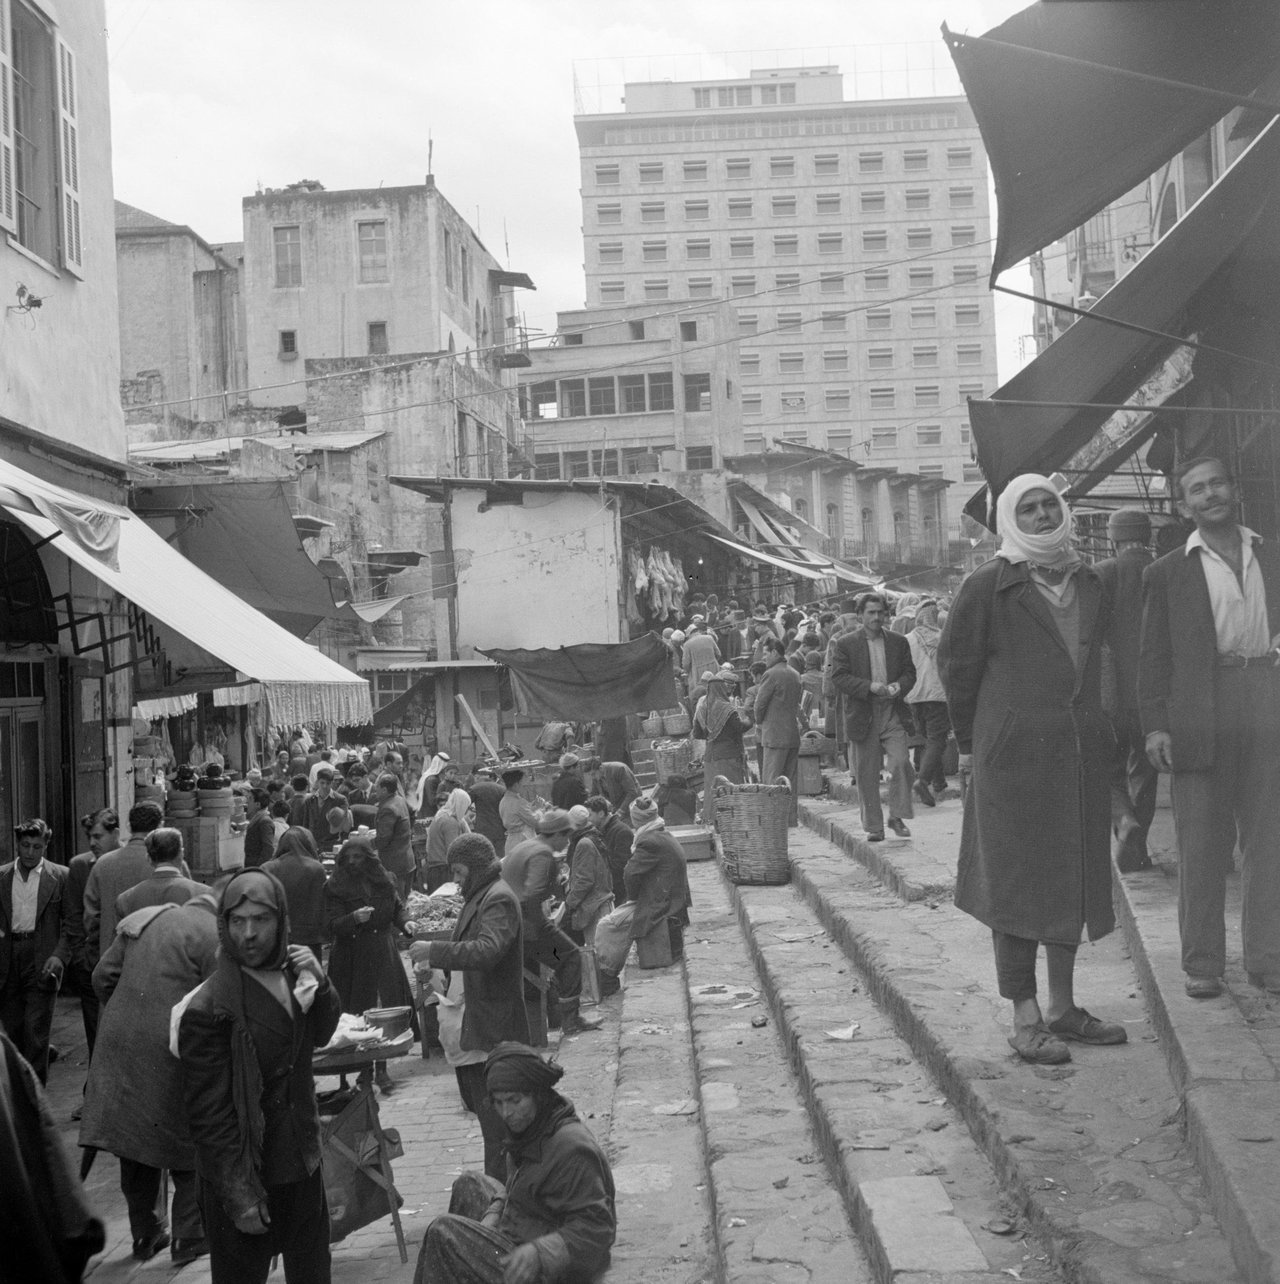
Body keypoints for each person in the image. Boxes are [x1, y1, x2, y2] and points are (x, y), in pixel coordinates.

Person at [940, 472, 1124, 1065]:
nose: (1044, 517)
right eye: (1031, 509)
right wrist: (968, 748)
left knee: (1072, 870)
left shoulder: (1091, 582)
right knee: (1016, 879)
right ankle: (1025, 1017)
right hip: (1010, 756)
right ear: (1011, 521)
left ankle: (1064, 1008)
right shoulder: (987, 586)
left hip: (1077, 753)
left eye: (1050, 505)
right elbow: (957, 671)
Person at [1139, 457, 1280, 998]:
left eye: (1217, 483)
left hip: (1266, 697)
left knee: (1270, 838)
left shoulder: (1270, 554)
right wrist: (1155, 726)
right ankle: (1203, 964)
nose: (1210, 494)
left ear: (1234, 489)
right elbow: (1151, 658)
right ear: (1184, 505)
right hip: (1200, 709)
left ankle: (1268, 958)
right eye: (1197, 489)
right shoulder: (1168, 570)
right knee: (1201, 841)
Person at [178, 869, 341, 1284]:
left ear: (282, 921)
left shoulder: (292, 973)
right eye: (237, 921)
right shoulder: (211, 1008)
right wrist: (240, 1196)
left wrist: (320, 983)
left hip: (300, 1166)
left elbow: (322, 1032)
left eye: (261, 920)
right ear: (224, 925)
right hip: (248, 1179)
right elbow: (209, 1117)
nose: (248, 934)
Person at [81, 887, 221, 1266]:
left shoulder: (148, 919)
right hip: (170, 1046)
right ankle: (189, 1238)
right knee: (188, 1137)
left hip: (119, 1042)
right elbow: (221, 1000)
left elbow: (101, 977)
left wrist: (129, 1011)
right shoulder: (213, 931)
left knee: (135, 1139)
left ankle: (146, 1233)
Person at [414, 1042, 616, 1284]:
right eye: (498, 1103)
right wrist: (494, 1216)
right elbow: (515, 1189)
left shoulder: (571, 1148)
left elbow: (598, 1229)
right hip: (522, 1232)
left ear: (538, 1095)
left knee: (443, 1231)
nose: (506, 1112)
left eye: (514, 1100)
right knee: (468, 1184)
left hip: (549, 1271)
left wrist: (539, 1253)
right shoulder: (531, 1132)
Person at [409, 834, 530, 1178]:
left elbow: (488, 950)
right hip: (477, 1024)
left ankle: (502, 1202)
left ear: (475, 868)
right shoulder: (481, 894)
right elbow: (469, 941)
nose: (457, 881)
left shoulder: (498, 899)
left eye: (460, 873)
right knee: (491, 1123)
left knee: (499, 1130)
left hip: (493, 1026)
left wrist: (435, 951)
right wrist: (433, 949)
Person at [325, 835, 417, 1094]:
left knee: (384, 1011)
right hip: (352, 956)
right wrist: (353, 918)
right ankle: (362, 1073)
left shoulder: (385, 879)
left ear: (368, 858)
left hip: (382, 951)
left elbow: (397, 906)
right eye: (349, 858)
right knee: (358, 1013)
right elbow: (330, 926)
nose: (354, 862)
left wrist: (405, 922)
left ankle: (382, 1070)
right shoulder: (335, 886)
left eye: (358, 857)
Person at [1094, 508, 1158, 872]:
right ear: (1146, 536)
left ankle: (1122, 820)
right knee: (1146, 772)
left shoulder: (1103, 573)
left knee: (1106, 767)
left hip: (1111, 696)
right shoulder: (1165, 569)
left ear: (1113, 538)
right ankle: (1139, 848)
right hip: (1152, 698)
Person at [503, 811, 602, 1037]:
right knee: (571, 957)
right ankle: (570, 1020)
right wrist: (542, 928)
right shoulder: (542, 853)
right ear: (556, 834)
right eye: (566, 835)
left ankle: (554, 1022)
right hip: (527, 925)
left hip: (515, 922)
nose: (567, 841)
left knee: (553, 966)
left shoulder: (526, 846)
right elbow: (532, 894)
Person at [831, 593, 917, 840]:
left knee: (901, 762)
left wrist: (899, 686)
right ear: (860, 615)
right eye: (871, 612)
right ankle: (874, 827)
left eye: (880, 612)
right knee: (867, 774)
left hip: (892, 713)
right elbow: (839, 677)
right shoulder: (846, 644)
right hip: (864, 714)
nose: (876, 617)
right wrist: (869, 687)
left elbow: (910, 673)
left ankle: (897, 816)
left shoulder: (898, 642)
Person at [0, 819, 70, 1084]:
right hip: (8, 958)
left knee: (36, 1033)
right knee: (13, 1032)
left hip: (43, 959)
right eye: (25, 845)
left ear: (46, 846)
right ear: (17, 843)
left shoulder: (60, 876)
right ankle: (17, 1095)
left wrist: (59, 956)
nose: (30, 852)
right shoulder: (3, 876)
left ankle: (36, 1097)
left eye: (37, 847)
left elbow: (71, 924)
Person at [64, 808, 120, 1070]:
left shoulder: (128, 863)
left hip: (123, 965)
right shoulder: (79, 866)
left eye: (98, 836)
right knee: (94, 1033)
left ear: (116, 834)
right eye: (90, 837)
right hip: (91, 965)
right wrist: (80, 957)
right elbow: (73, 916)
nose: (92, 843)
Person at [83, 800, 165, 968]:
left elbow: (91, 919)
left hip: (112, 961)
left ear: (129, 827)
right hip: (158, 962)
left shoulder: (102, 864)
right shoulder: (169, 863)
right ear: (160, 827)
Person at [622, 797, 691, 967]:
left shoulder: (648, 841)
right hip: (674, 894)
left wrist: (633, 898)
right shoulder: (661, 833)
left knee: (609, 928)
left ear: (636, 819)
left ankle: (608, 975)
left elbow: (630, 873)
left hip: (667, 900)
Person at [753, 637, 804, 825]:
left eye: (766, 654)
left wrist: (759, 721)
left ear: (775, 652)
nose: (764, 658)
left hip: (774, 734)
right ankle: (790, 820)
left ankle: (773, 822)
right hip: (792, 733)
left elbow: (759, 705)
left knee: (772, 780)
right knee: (790, 781)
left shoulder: (770, 674)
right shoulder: (794, 673)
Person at [905, 599, 951, 807]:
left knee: (929, 740)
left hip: (915, 697)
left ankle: (939, 783)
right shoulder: (941, 637)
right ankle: (923, 781)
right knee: (937, 740)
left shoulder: (908, 639)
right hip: (938, 696)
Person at [262, 827, 330, 955]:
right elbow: (322, 907)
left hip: (276, 938)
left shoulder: (267, 868)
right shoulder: (316, 868)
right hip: (308, 941)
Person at [694, 669, 752, 819]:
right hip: (728, 755)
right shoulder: (727, 709)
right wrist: (749, 721)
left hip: (710, 757)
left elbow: (697, 734)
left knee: (713, 790)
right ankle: (733, 819)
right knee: (730, 789)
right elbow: (739, 728)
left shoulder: (702, 708)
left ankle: (716, 820)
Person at [587, 795, 634, 910]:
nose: (588, 819)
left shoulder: (622, 832)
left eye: (590, 815)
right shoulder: (602, 830)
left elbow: (621, 866)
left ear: (601, 814)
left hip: (619, 893)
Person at [375, 771, 416, 898]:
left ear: (384, 790)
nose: (375, 791)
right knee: (407, 900)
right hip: (407, 859)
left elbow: (383, 839)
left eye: (377, 788)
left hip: (394, 864)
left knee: (398, 901)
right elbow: (412, 813)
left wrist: (366, 843)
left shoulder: (388, 808)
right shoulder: (399, 800)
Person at [425, 787, 473, 893]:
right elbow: (454, 851)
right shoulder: (450, 821)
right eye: (466, 807)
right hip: (443, 870)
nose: (466, 811)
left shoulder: (442, 814)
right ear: (461, 805)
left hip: (435, 868)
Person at [301, 767, 352, 852]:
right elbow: (305, 824)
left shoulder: (340, 799)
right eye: (322, 783)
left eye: (328, 783)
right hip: (313, 844)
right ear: (317, 782)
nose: (324, 786)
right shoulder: (309, 800)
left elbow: (345, 824)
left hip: (332, 845)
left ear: (332, 783)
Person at [468, 768, 507, 858]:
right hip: (499, 828)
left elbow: (465, 804)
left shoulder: (475, 788)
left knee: (484, 855)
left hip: (482, 828)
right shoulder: (502, 789)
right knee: (500, 856)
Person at [500, 769, 539, 846]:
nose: (524, 786)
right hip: (523, 840)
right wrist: (540, 810)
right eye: (523, 783)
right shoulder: (519, 802)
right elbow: (534, 822)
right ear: (516, 784)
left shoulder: (504, 800)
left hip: (511, 840)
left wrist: (531, 808)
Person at [241, 788, 276, 868]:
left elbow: (268, 849)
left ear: (258, 804)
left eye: (250, 799)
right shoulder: (257, 818)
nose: (247, 802)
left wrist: (258, 868)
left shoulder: (265, 821)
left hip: (256, 867)